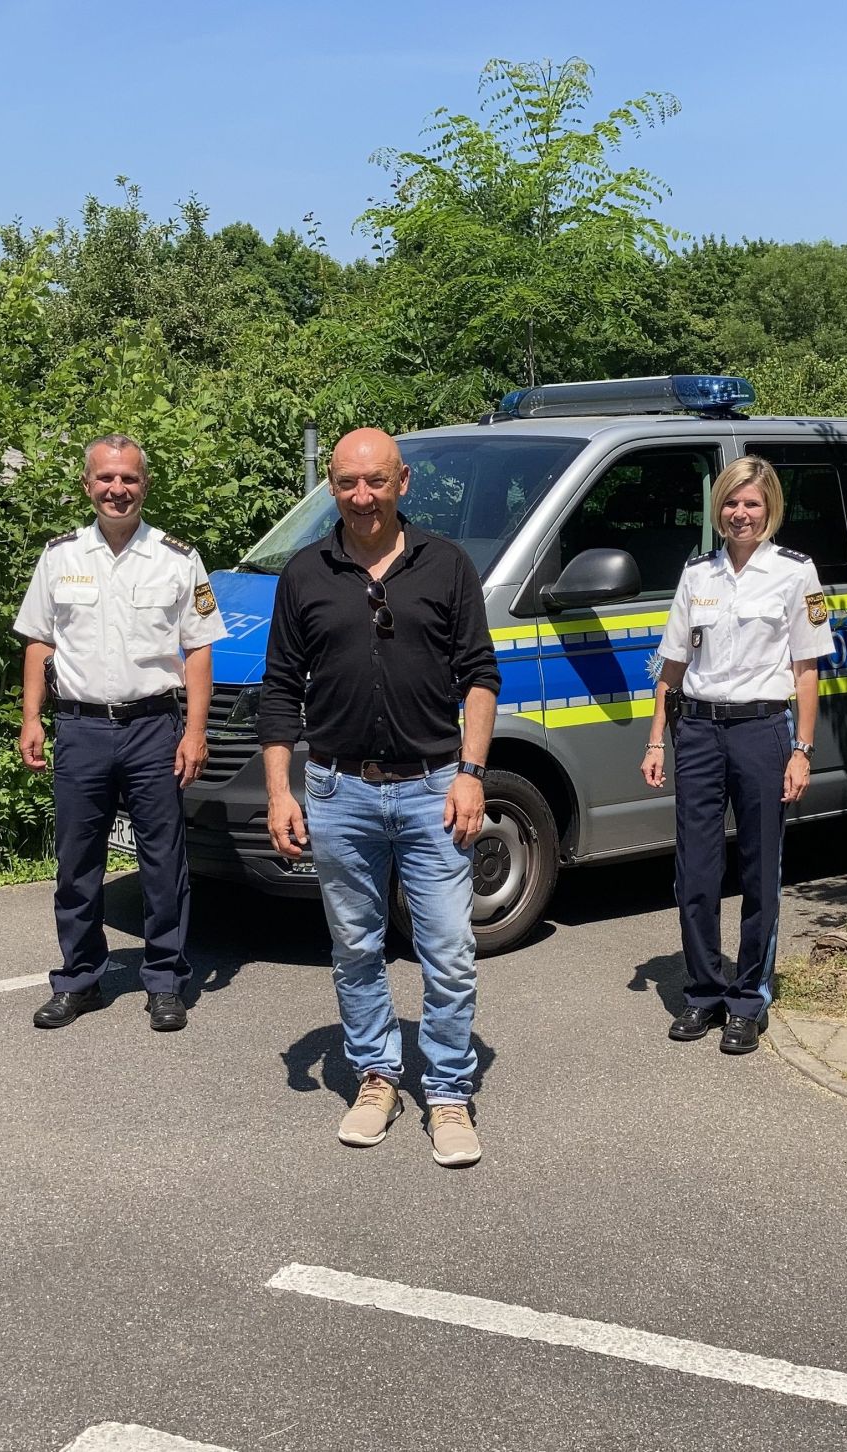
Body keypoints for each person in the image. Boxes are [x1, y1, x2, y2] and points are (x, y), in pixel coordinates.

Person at [259, 428, 500, 1167]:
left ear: (403, 483)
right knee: (355, 949)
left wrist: (470, 771)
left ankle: (450, 1093)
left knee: (449, 952)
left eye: (375, 481)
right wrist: (280, 792)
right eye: (346, 483)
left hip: (434, 789)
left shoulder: (448, 565)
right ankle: (377, 1077)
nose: (361, 496)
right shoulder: (305, 573)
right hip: (337, 790)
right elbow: (278, 692)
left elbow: (481, 676)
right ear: (331, 487)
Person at [14, 435, 227, 1034]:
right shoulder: (59, 556)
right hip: (79, 727)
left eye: (129, 479)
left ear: (145, 485)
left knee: (164, 861)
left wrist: (195, 732)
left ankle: (164, 980)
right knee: (76, 862)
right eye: (106, 478)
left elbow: (200, 648)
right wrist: (32, 718)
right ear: (88, 485)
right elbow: (38, 642)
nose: (118, 489)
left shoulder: (177, 559)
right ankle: (79, 979)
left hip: (153, 728)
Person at [643, 456, 832, 1055]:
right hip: (697, 731)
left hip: (762, 732)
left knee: (759, 871)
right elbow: (672, 664)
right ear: (717, 510)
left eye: (751, 503)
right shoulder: (697, 574)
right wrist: (655, 738)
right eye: (730, 503)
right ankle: (702, 991)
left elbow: (807, 673)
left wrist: (802, 749)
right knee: (695, 871)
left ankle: (749, 998)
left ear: (769, 509)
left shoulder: (796, 574)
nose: (740, 513)